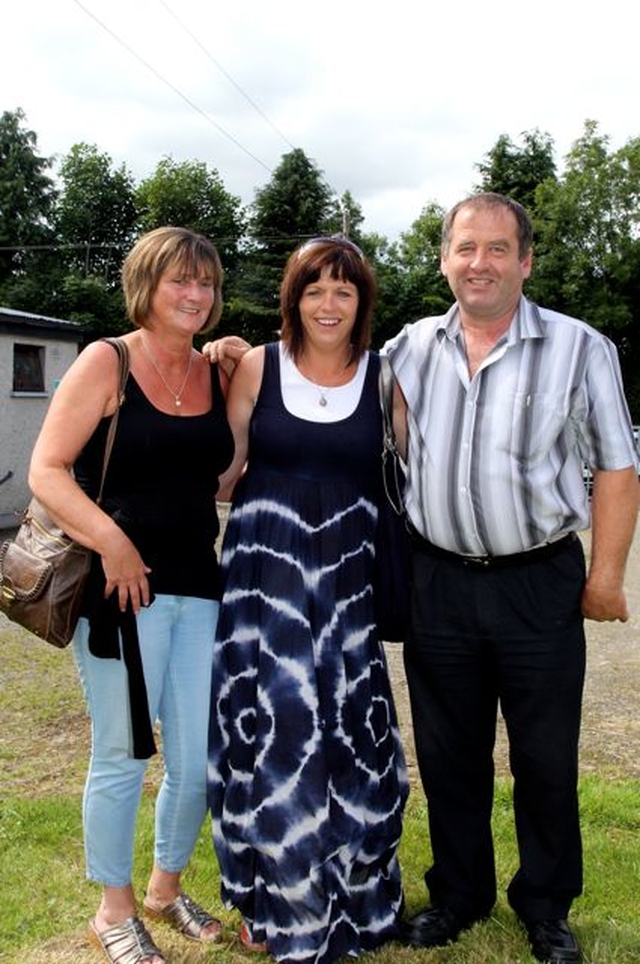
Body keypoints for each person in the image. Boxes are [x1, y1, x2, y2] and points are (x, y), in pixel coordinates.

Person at [383, 193, 639, 964]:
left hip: (540, 583)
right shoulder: (408, 349)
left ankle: (546, 907)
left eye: (498, 249)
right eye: (466, 248)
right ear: (443, 258)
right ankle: (459, 896)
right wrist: (239, 357)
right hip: (438, 582)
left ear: (526, 261)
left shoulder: (579, 347)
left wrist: (606, 576)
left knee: (545, 756)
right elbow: (326, 386)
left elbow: (618, 469)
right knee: (448, 752)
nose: (480, 263)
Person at [28, 226, 235, 964]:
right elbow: (47, 471)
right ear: (145, 285)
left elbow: (222, 481)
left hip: (199, 586)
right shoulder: (106, 360)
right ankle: (112, 910)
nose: (195, 294)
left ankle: (164, 888)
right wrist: (113, 542)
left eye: (206, 283)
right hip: (118, 593)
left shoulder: (213, 372)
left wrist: (245, 381)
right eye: (180, 280)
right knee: (123, 752)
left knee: (198, 754)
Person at [206, 236, 409, 964]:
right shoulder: (257, 366)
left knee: (351, 735)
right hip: (265, 588)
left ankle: (359, 896)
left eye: (343, 291)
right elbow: (223, 472)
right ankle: (268, 896)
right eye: (313, 289)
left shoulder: (386, 380)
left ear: (362, 304)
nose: (328, 304)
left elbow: (407, 478)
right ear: (293, 298)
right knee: (270, 735)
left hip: (348, 595)